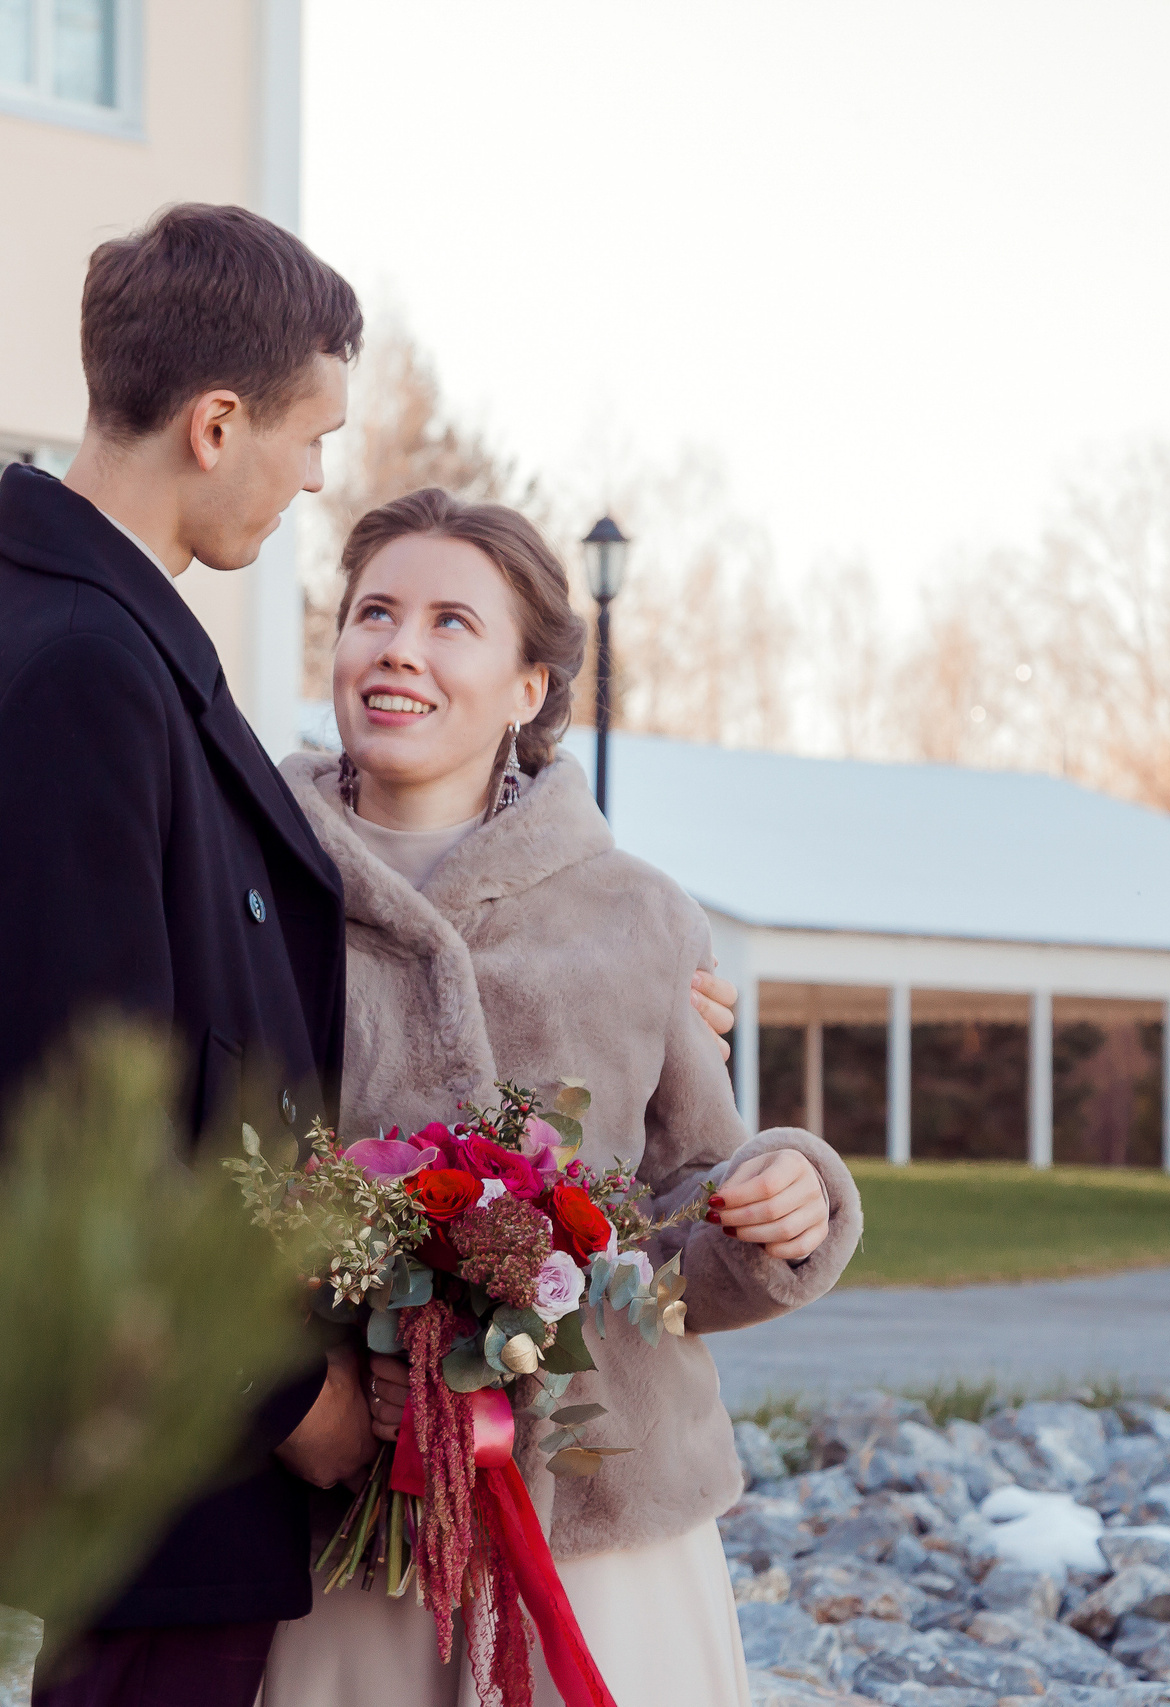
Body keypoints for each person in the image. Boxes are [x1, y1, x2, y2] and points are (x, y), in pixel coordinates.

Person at [257, 489, 864, 1707]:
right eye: (372, 612)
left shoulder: (637, 914)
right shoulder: (252, 885)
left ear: (529, 687)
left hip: (609, 1522)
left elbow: (692, 1189)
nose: (398, 650)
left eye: (448, 623)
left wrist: (785, 1198)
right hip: (349, 1532)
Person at [0, 202, 378, 1707]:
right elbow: (90, 1115)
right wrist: (290, 1393)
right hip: (154, 1433)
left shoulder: (100, 632)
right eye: (312, 438)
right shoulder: (76, 665)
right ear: (216, 421)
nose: (315, 477)